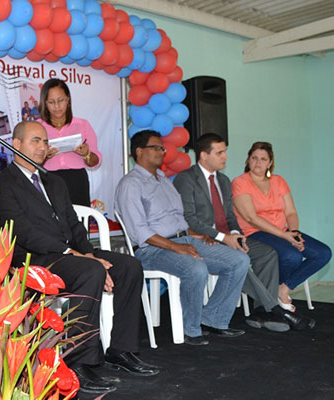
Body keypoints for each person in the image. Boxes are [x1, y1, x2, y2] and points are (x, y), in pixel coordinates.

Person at [0, 121, 159, 395]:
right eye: (35, 141)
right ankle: (79, 361)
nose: (42, 147)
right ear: (16, 144)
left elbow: (74, 225)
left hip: (70, 254)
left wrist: (88, 252)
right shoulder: (0, 184)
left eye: (45, 141)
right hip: (32, 260)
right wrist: (78, 256)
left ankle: (120, 349)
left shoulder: (54, 181)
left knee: (129, 266)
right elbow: (23, 232)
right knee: (90, 271)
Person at [115, 130, 250, 346]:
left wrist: (196, 235)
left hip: (185, 239)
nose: (162, 152)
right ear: (139, 152)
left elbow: (178, 219)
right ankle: (191, 330)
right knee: (195, 268)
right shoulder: (130, 184)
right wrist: (176, 247)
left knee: (239, 260)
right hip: (153, 249)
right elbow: (140, 233)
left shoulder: (164, 180)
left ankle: (213, 319)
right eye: (155, 147)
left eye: (162, 148)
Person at [174, 134, 314, 331]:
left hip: (227, 236)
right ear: (204, 155)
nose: (225, 156)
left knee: (267, 254)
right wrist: (223, 237)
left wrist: (236, 234)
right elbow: (189, 218)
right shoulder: (186, 178)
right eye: (220, 153)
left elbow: (231, 216)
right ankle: (274, 309)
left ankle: (260, 311)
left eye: (225, 152)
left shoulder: (223, 180)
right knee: (239, 260)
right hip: (203, 238)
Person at [232, 141, 331, 313]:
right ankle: (274, 297)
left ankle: (283, 289)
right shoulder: (240, 182)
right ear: (248, 160)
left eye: (263, 159)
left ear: (270, 163)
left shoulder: (278, 181)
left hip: (283, 231)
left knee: (323, 253)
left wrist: (294, 233)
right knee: (292, 256)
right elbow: (251, 218)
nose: (258, 162)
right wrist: (285, 236)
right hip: (255, 232)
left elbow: (291, 212)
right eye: (254, 158)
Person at [38, 78, 101, 206]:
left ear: (68, 100)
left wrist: (87, 154)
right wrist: (44, 157)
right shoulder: (37, 127)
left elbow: (96, 161)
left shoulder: (82, 125)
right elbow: (28, 162)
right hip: (48, 179)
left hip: (77, 181)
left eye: (61, 100)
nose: (57, 106)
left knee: (79, 216)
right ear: (45, 103)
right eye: (51, 102)